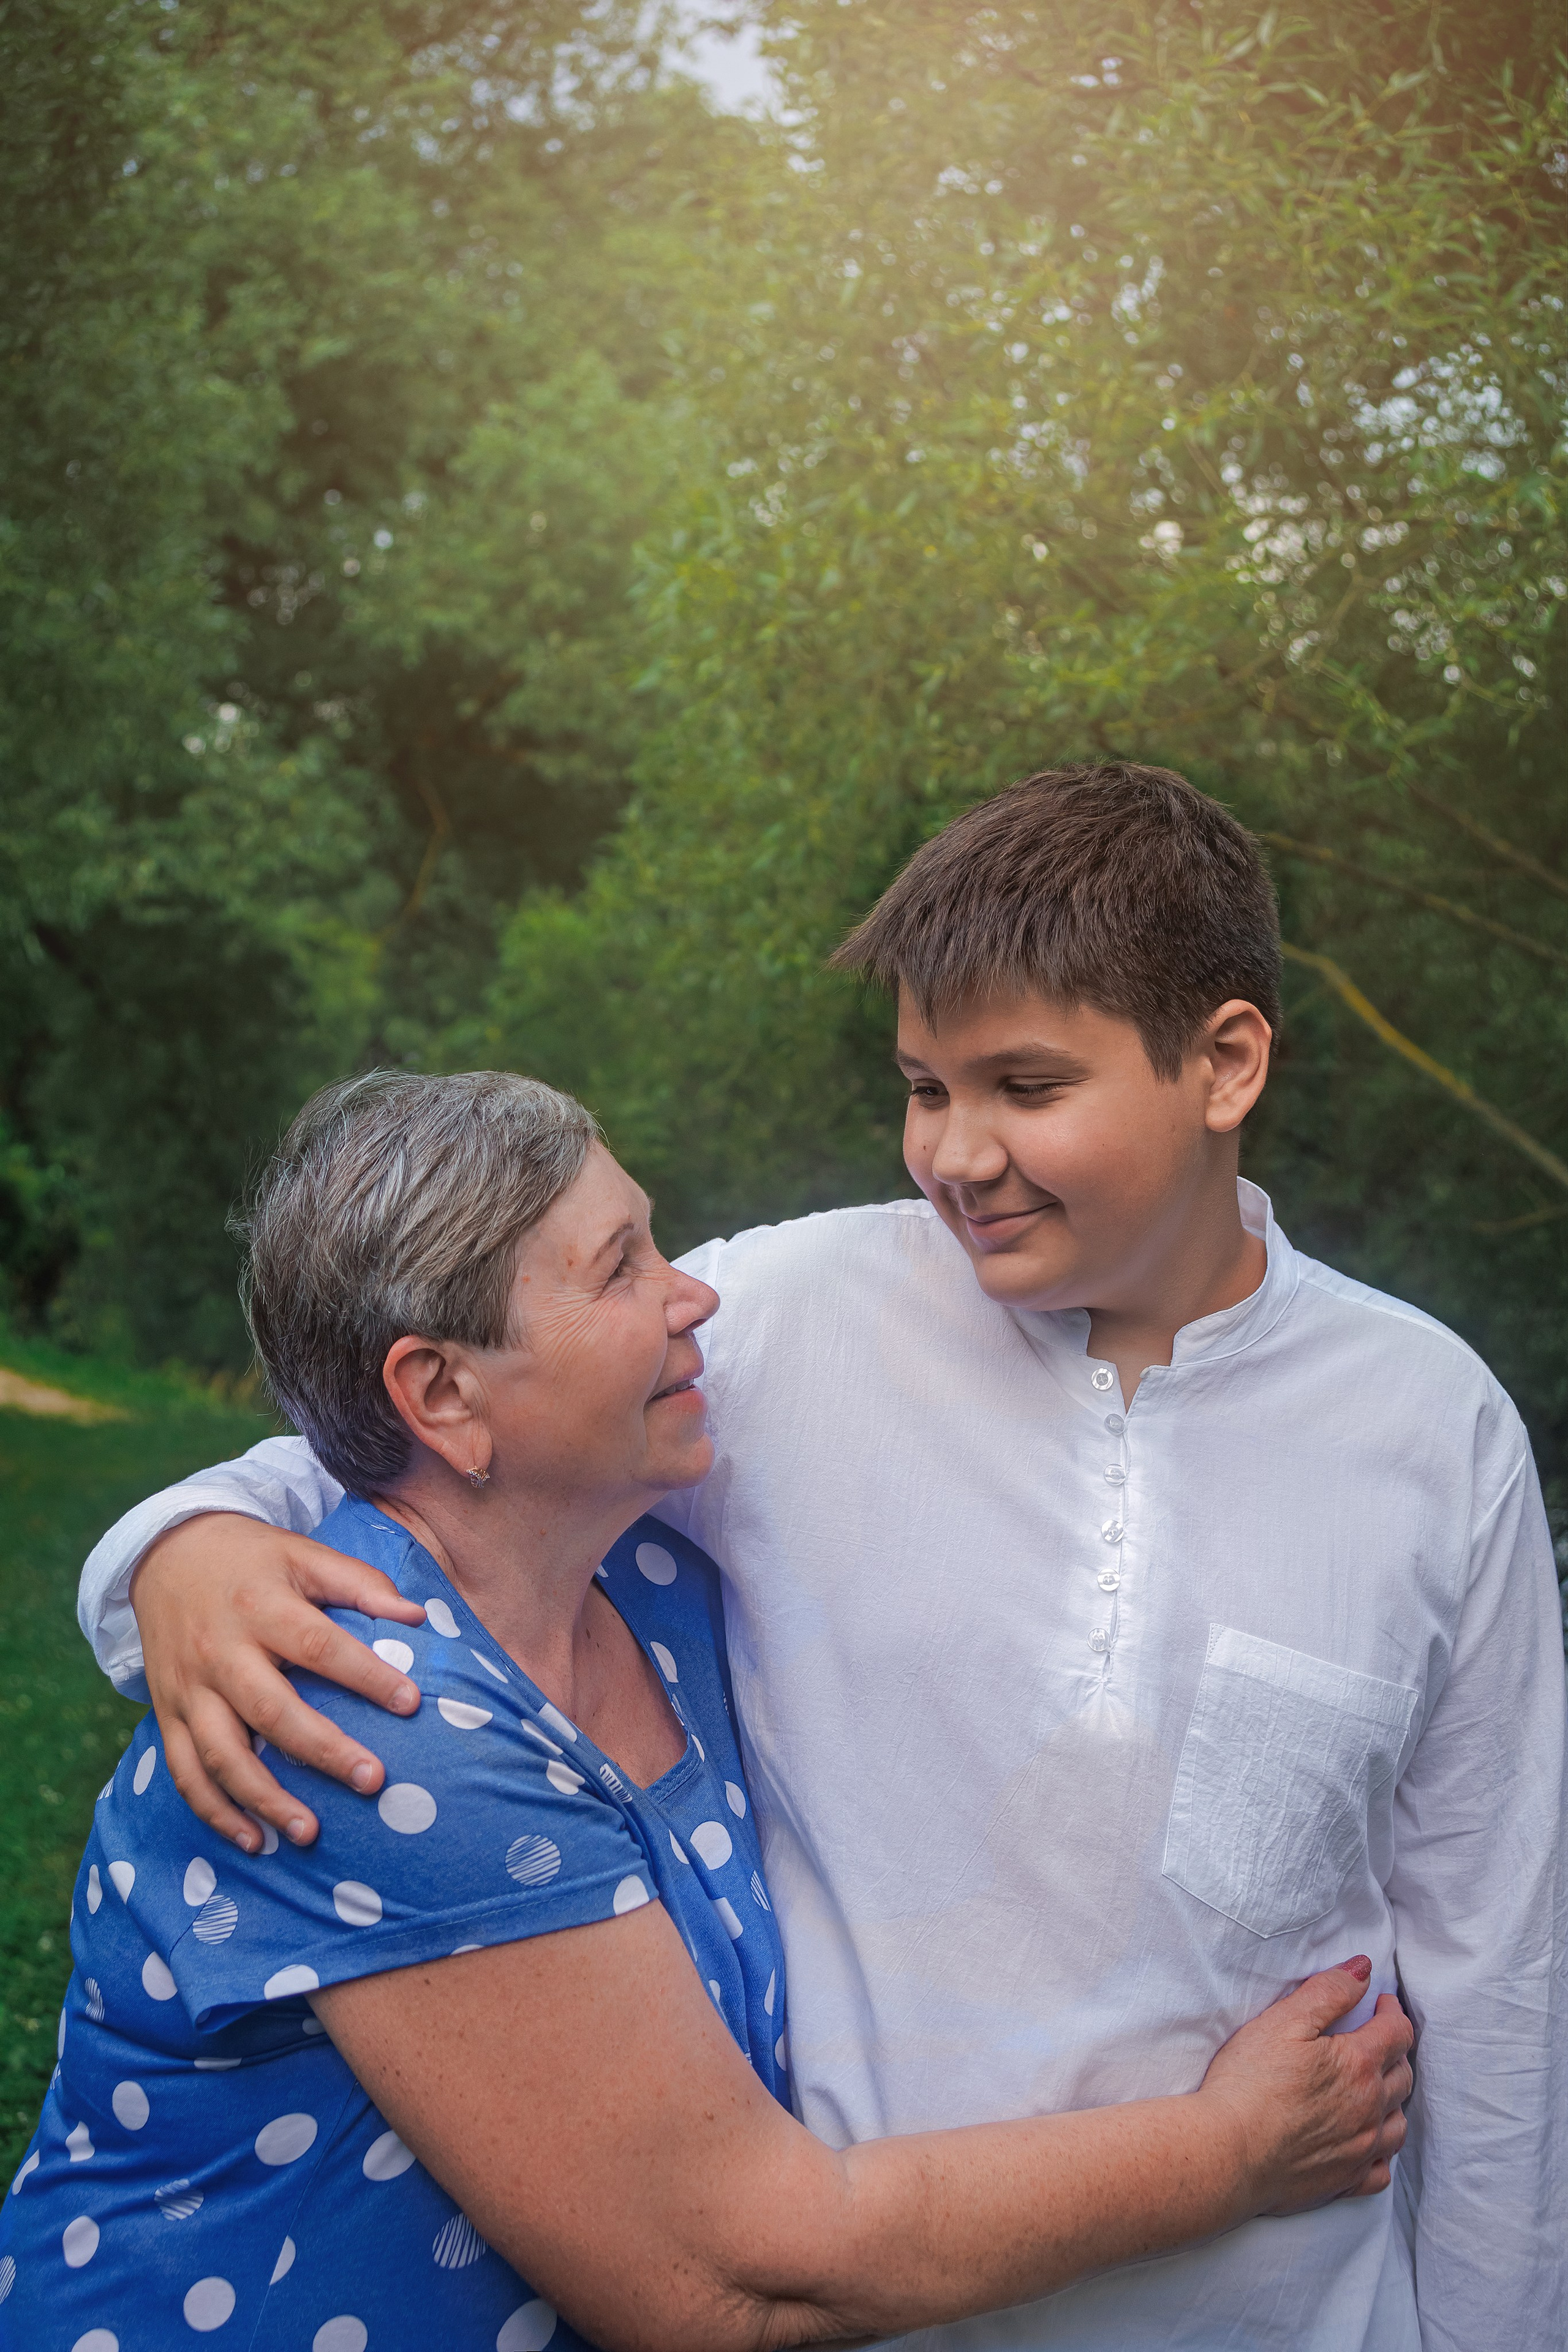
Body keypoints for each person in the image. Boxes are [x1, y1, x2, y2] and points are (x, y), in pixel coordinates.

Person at [74, 766, 1566, 2351]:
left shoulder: (1428, 1427)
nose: (958, 1153)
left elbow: (1499, 1959)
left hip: (1295, 2315)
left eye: (1027, 1086)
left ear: (1226, 1063)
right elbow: (412, 1438)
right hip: (867, 2313)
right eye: (927, 1087)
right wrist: (188, 1546)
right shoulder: (794, 1321)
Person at [2, 1068, 1412, 2352]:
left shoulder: (649, 1573)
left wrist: (183, 1537)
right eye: (618, 1270)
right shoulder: (362, 1710)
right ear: (441, 1393)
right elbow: (731, 2278)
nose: (692, 1300)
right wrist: (1226, 2155)